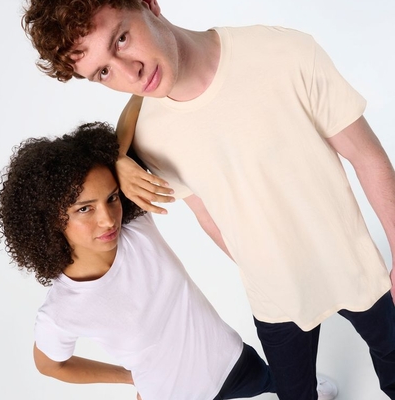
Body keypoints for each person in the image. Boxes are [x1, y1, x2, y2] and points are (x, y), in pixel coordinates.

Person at [21, 0, 395, 399]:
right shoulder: (145, 137)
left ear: (149, 4)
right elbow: (207, 216)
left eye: (122, 39)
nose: (131, 73)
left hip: (356, 266)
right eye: (103, 72)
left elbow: (368, 158)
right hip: (273, 299)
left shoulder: (283, 52)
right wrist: (266, 269)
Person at [0, 122, 277, 400]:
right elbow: (49, 365)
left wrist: (118, 158)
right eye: (85, 209)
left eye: (111, 198)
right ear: (50, 219)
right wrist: (129, 377)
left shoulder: (136, 224)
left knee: (295, 387)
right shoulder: (61, 310)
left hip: (234, 363)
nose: (108, 220)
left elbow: (140, 103)